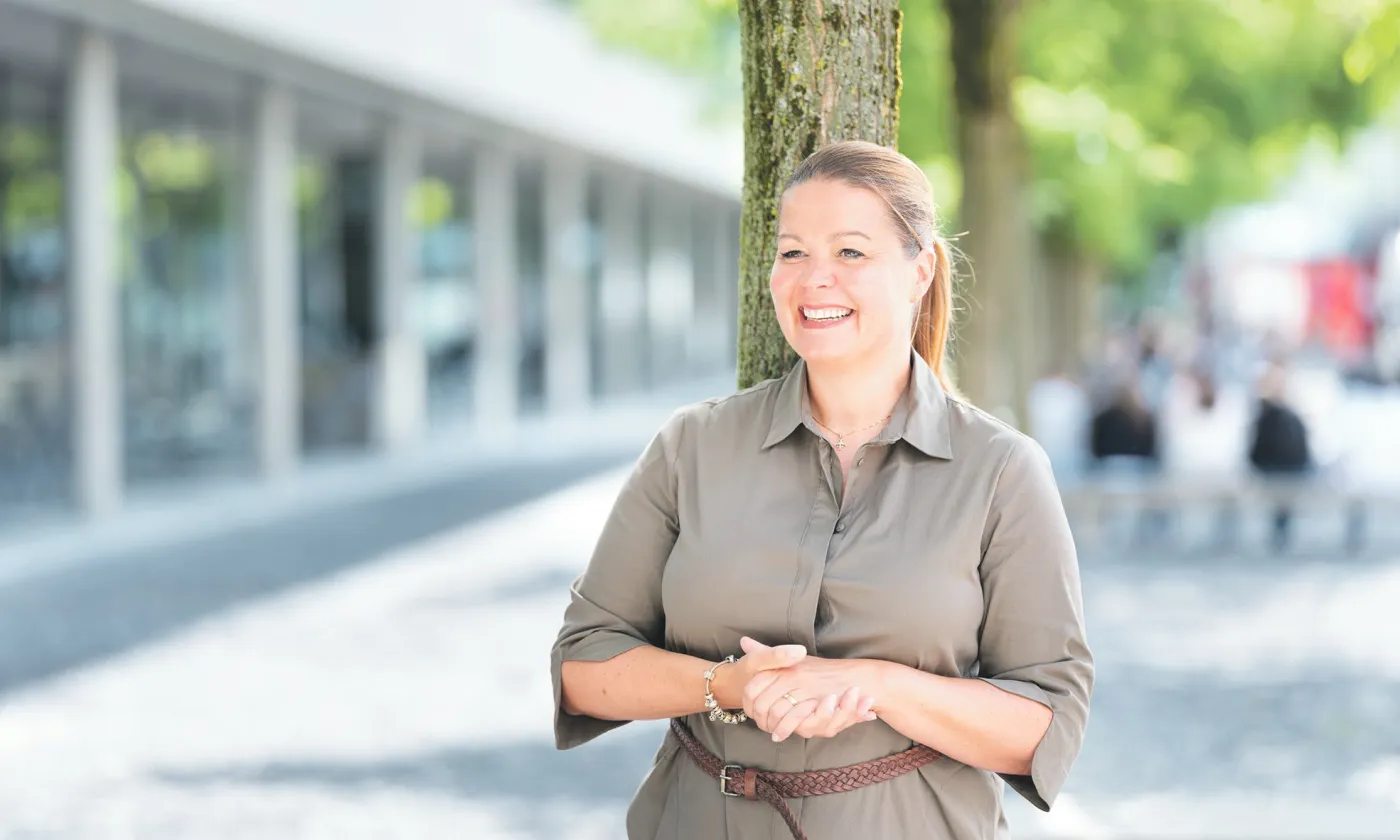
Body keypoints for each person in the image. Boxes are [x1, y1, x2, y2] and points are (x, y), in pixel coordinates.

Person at [551, 140, 1093, 840]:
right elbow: (583, 666)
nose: (815, 279)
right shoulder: (691, 446)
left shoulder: (1002, 470)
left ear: (919, 271)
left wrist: (875, 685)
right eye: (793, 252)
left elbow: (1045, 726)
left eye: (851, 252)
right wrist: (728, 685)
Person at [1247, 363, 1312, 552]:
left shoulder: (1292, 415)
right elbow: (1258, 450)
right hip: (1272, 471)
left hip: (1294, 471)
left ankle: (1281, 536)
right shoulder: (1267, 415)